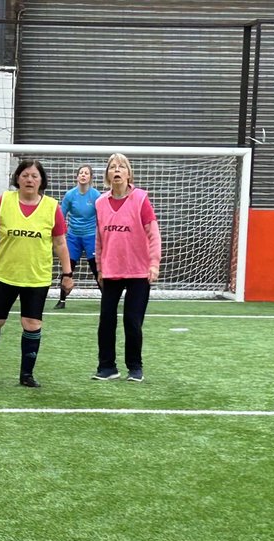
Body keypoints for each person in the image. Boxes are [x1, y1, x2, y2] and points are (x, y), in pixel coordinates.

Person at [0, 159, 73, 388]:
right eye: (25, 175)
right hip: (5, 275)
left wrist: (67, 273)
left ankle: (26, 374)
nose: (29, 179)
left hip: (37, 278)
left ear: (42, 181)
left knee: (32, 324)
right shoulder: (4, 201)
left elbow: (61, 243)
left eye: (34, 176)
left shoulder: (52, 207)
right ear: (17, 178)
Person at [92, 152, 162, 383]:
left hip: (138, 271)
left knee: (132, 321)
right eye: (113, 167)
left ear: (129, 173)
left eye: (122, 166)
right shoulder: (100, 203)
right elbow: (99, 239)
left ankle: (135, 367)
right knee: (106, 320)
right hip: (111, 271)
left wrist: (154, 264)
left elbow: (153, 233)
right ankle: (107, 367)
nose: (117, 170)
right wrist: (100, 267)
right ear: (107, 175)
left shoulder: (141, 199)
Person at [54, 163, 101, 308]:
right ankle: (62, 300)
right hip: (73, 237)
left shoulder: (96, 196)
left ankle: (108, 299)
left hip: (91, 237)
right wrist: (60, 234)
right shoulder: (70, 195)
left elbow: (102, 217)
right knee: (68, 268)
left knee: (96, 268)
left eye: (86, 173)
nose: (83, 175)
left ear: (91, 177)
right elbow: (61, 216)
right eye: (81, 173)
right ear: (77, 176)